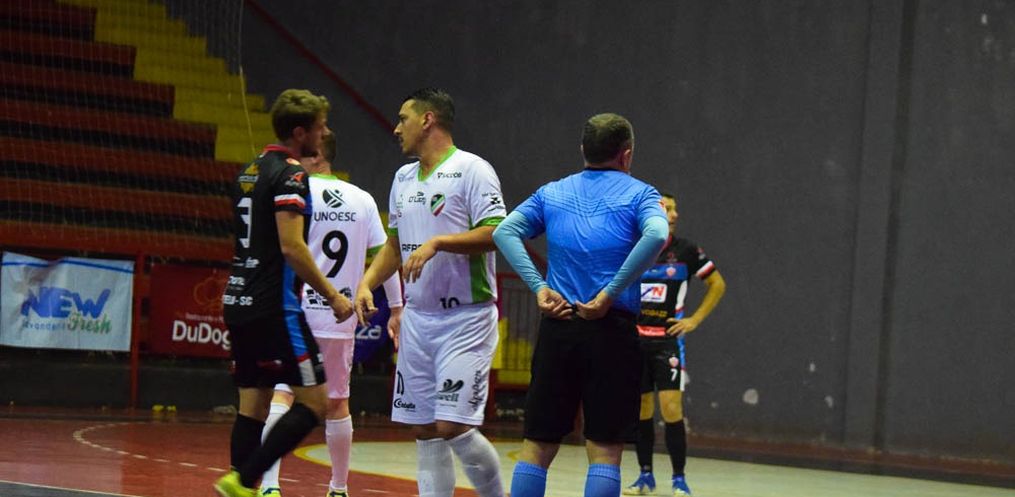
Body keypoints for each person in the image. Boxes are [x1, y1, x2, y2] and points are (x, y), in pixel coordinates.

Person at [492, 113, 669, 497]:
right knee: (604, 449)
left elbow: (504, 231)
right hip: (612, 331)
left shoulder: (552, 193)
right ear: (626, 154)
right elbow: (657, 233)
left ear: (583, 150)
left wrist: (539, 288)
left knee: (537, 444)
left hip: (559, 327)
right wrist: (609, 293)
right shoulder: (641, 195)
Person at [354, 88, 506, 497]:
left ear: (427, 120)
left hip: (466, 318)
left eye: (403, 118)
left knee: (453, 425)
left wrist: (439, 243)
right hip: (419, 319)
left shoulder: (473, 170)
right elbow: (394, 244)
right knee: (424, 429)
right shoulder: (402, 178)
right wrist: (367, 283)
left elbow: (497, 232)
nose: (395, 127)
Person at [216, 89, 353, 497]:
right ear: (300, 132)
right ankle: (243, 480)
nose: (324, 134)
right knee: (315, 403)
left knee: (253, 404)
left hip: (238, 299)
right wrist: (333, 296)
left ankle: (239, 485)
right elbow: (291, 247)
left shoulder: (249, 170)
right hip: (275, 307)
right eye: (319, 127)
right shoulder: (291, 175)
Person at [257, 131, 405, 497]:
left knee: (283, 394)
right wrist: (396, 308)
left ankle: (269, 486)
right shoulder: (362, 199)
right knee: (338, 402)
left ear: (317, 153)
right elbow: (386, 257)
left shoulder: (294, 192)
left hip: (296, 311)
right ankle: (338, 488)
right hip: (339, 317)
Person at [622, 192, 726, 497]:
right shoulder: (635, 248)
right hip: (635, 341)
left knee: (670, 408)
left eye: (676, 209)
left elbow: (717, 284)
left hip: (667, 343)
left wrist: (694, 320)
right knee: (642, 409)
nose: (675, 214)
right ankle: (645, 476)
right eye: (668, 208)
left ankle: (679, 478)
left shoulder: (686, 251)